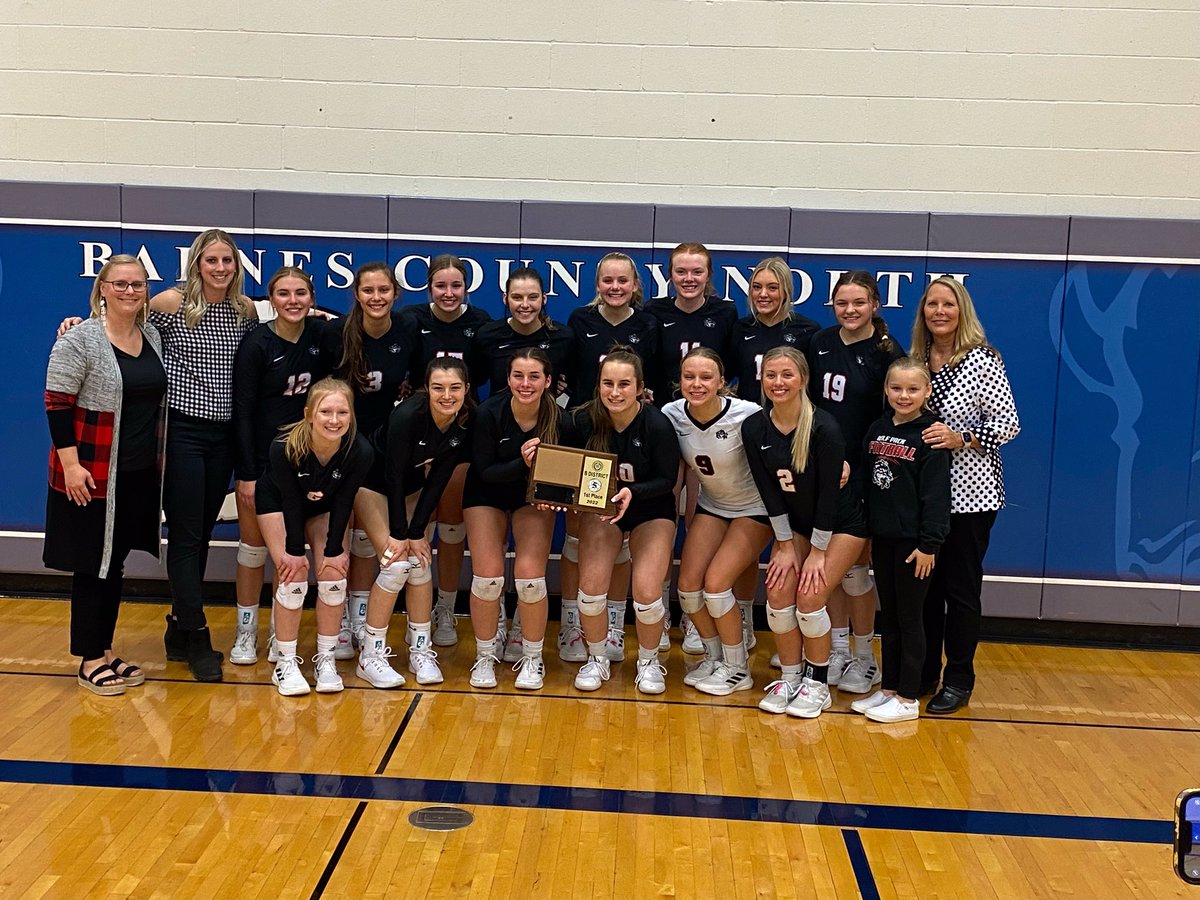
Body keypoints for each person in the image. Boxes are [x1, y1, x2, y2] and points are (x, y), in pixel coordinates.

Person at [44, 255, 167, 695]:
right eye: (120, 284)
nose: (130, 291)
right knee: (91, 563)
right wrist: (71, 465)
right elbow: (57, 404)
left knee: (113, 564)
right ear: (102, 289)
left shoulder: (150, 334)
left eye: (137, 284)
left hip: (133, 474)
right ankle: (89, 657)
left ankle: (106, 648)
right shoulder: (79, 340)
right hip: (90, 473)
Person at [152, 230, 259, 681]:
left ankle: (178, 625)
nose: (220, 268)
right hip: (182, 430)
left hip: (225, 435)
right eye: (211, 260)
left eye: (227, 261)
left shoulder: (244, 311)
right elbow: (119, 328)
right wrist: (76, 322)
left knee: (198, 533)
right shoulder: (168, 305)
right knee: (185, 533)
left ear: (236, 266)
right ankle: (197, 636)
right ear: (197, 263)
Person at [912, 277, 1020, 714]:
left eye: (948, 304)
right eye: (932, 304)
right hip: (921, 497)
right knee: (924, 592)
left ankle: (958, 678)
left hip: (969, 497)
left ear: (963, 311)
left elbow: (1009, 425)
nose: (940, 311)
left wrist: (964, 437)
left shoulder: (982, 360)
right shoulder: (915, 359)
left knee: (959, 591)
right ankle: (922, 673)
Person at [743, 347, 866, 718]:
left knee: (811, 598)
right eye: (771, 375)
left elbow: (829, 497)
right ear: (761, 380)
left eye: (787, 375)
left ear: (803, 380)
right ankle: (791, 677)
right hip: (795, 526)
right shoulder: (754, 427)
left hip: (841, 525)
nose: (778, 383)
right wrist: (783, 544)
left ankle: (816, 683)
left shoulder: (824, 427)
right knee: (778, 592)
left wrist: (817, 551)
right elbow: (769, 492)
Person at [807, 271, 906, 693]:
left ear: (875, 306)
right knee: (831, 567)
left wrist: (860, 462)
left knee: (855, 572)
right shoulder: (820, 342)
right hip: (824, 467)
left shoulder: (886, 351)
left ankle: (866, 657)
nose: (850, 310)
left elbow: (893, 417)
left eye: (859, 303)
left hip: (865, 471)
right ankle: (840, 649)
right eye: (842, 303)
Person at [351, 359, 474, 689]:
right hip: (372, 484)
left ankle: (421, 649)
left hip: (412, 488)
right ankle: (370, 656)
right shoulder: (408, 416)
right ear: (426, 389)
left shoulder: (464, 422)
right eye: (438, 388)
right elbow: (391, 475)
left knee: (419, 563)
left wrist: (418, 532)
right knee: (394, 565)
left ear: (466, 389)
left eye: (454, 388)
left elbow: (439, 479)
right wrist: (401, 533)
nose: (446, 395)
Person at [229, 266, 331, 665]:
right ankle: (245, 631)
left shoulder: (322, 335)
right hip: (263, 463)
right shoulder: (256, 344)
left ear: (312, 298)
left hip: (308, 461)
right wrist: (247, 474)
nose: (293, 301)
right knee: (254, 551)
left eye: (301, 293)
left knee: (291, 550)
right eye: (284, 293)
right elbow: (243, 412)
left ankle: (278, 632)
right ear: (271, 300)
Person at [560, 253, 657, 664]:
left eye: (623, 281)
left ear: (635, 284)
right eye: (607, 281)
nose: (615, 287)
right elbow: (562, 379)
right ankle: (572, 624)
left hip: (631, 434)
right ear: (596, 285)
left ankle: (613, 628)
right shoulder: (580, 322)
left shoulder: (648, 325)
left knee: (623, 539)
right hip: (590, 434)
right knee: (581, 535)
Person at [663, 348, 777, 695]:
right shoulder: (671, 414)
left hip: (754, 509)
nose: (696, 384)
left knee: (715, 585)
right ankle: (715, 657)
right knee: (688, 587)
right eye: (689, 377)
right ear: (679, 381)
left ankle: (737, 666)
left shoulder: (749, 415)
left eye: (706, 377)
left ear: (722, 383)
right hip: (713, 505)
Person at [462, 348, 576, 690]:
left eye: (534, 377)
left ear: (548, 382)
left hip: (530, 499)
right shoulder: (487, 414)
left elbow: (565, 479)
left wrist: (554, 499)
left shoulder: (562, 420)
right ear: (508, 379)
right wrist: (523, 463)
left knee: (529, 577)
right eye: (518, 376)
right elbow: (484, 472)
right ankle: (485, 655)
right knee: (488, 578)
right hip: (487, 493)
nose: (525, 384)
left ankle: (532, 656)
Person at [570, 349, 680, 695]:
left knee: (647, 591)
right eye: (608, 384)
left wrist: (634, 492)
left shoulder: (657, 424)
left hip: (651, 508)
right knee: (590, 589)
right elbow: (566, 468)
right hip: (602, 509)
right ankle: (598, 656)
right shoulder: (583, 421)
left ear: (640, 388)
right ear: (598, 385)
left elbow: (667, 479)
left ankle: (648, 662)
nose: (615, 392)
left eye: (623, 384)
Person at [646, 243, 739, 653]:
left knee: (697, 514)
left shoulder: (725, 313)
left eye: (696, 272)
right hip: (669, 420)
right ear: (670, 274)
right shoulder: (654, 312)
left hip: (705, 423)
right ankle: (661, 612)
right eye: (681, 271)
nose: (688, 278)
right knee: (664, 513)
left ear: (708, 275)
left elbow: (730, 368)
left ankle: (693, 611)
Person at [397, 254, 492, 649]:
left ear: (466, 287)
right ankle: (415, 607)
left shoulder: (481, 324)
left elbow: (485, 373)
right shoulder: (412, 319)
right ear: (429, 287)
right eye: (441, 286)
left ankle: (446, 609)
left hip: (461, 427)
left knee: (452, 526)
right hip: (420, 426)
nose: (449, 293)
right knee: (418, 521)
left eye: (456, 286)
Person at [256, 379, 373, 696]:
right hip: (278, 505)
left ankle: (326, 660)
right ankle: (286, 663)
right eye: (325, 412)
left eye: (341, 412)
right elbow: (291, 502)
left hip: (325, 508)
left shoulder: (359, 450)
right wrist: (294, 553)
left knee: (334, 578)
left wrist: (334, 551)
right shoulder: (284, 447)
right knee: (292, 578)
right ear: (309, 414)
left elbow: (345, 501)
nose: (334, 420)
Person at [852, 357, 951, 723]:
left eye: (912, 389)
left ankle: (909, 698)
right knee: (890, 618)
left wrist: (929, 545)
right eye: (896, 388)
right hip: (885, 539)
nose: (904, 395)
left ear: (926, 392)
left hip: (915, 546)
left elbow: (937, 497)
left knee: (911, 619)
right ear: (886, 389)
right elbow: (867, 482)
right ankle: (889, 688)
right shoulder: (877, 429)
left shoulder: (930, 436)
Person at [323, 262, 411, 657]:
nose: (376, 298)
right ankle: (336, 618)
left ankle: (358, 618)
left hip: (381, 445)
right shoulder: (334, 333)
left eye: (384, 290)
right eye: (368, 290)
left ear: (395, 294)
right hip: (338, 445)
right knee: (338, 532)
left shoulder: (408, 330)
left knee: (363, 539)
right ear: (356, 294)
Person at [469, 267, 575, 400]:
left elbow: (573, 381)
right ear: (505, 299)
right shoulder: (487, 335)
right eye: (517, 297)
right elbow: (475, 379)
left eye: (533, 297)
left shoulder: (563, 337)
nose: (525, 304)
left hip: (546, 418)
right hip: (498, 418)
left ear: (544, 299)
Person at [730, 257, 820, 405]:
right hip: (747, 419)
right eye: (757, 287)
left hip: (789, 420)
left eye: (772, 288)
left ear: (786, 291)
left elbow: (814, 385)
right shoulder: (740, 328)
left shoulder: (807, 330)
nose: (763, 294)